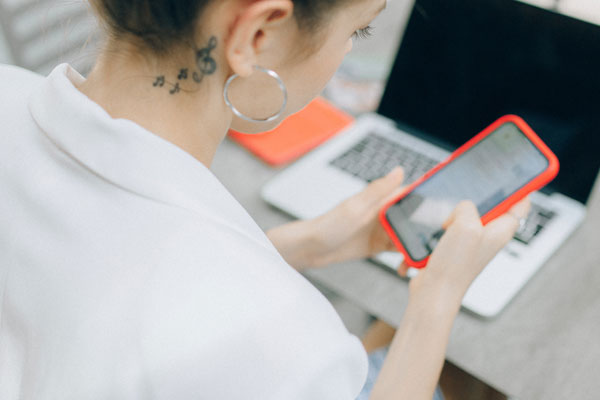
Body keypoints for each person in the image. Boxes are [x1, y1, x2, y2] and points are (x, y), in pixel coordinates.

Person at [0, 0, 529, 398]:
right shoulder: (281, 338)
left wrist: (301, 247)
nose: (350, 51)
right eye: (357, 30)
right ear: (257, 34)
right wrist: (439, 297)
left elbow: (113, 270)